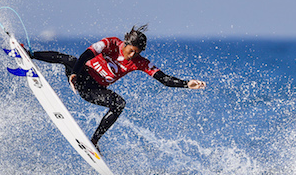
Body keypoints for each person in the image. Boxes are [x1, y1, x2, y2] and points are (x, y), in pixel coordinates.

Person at [29, 25, 206, 149]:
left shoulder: (140, 62)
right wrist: (74, 73)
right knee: (70, 59)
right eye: (132, 50)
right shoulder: (111, 43)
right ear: (126, 43)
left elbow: (163, 79)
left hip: (93, 91)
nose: (133, 55)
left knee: (119, 103)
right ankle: (30, 54)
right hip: (80, 75)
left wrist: (186, 84)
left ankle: (94, 141)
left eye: (138, 53)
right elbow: (86, 54)